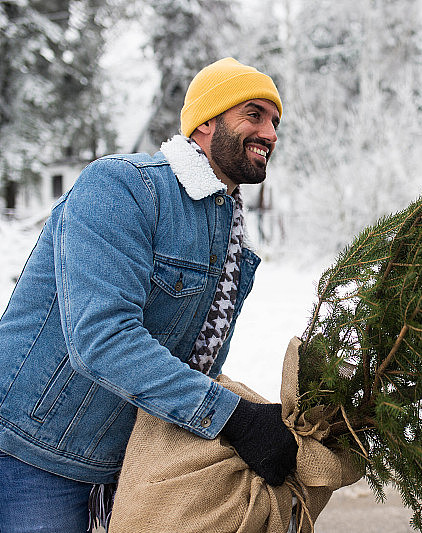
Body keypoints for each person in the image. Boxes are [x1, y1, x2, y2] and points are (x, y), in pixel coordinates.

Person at [0, 58, 298, 532]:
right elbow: (102, 337)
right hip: (35, 454)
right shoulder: (123, 186)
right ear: (206, 121)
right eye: (254, 114)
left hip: (123, 464)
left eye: (275, 122)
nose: (271, 133)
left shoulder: (230, 232)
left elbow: (192, 357)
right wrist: (231, 418)